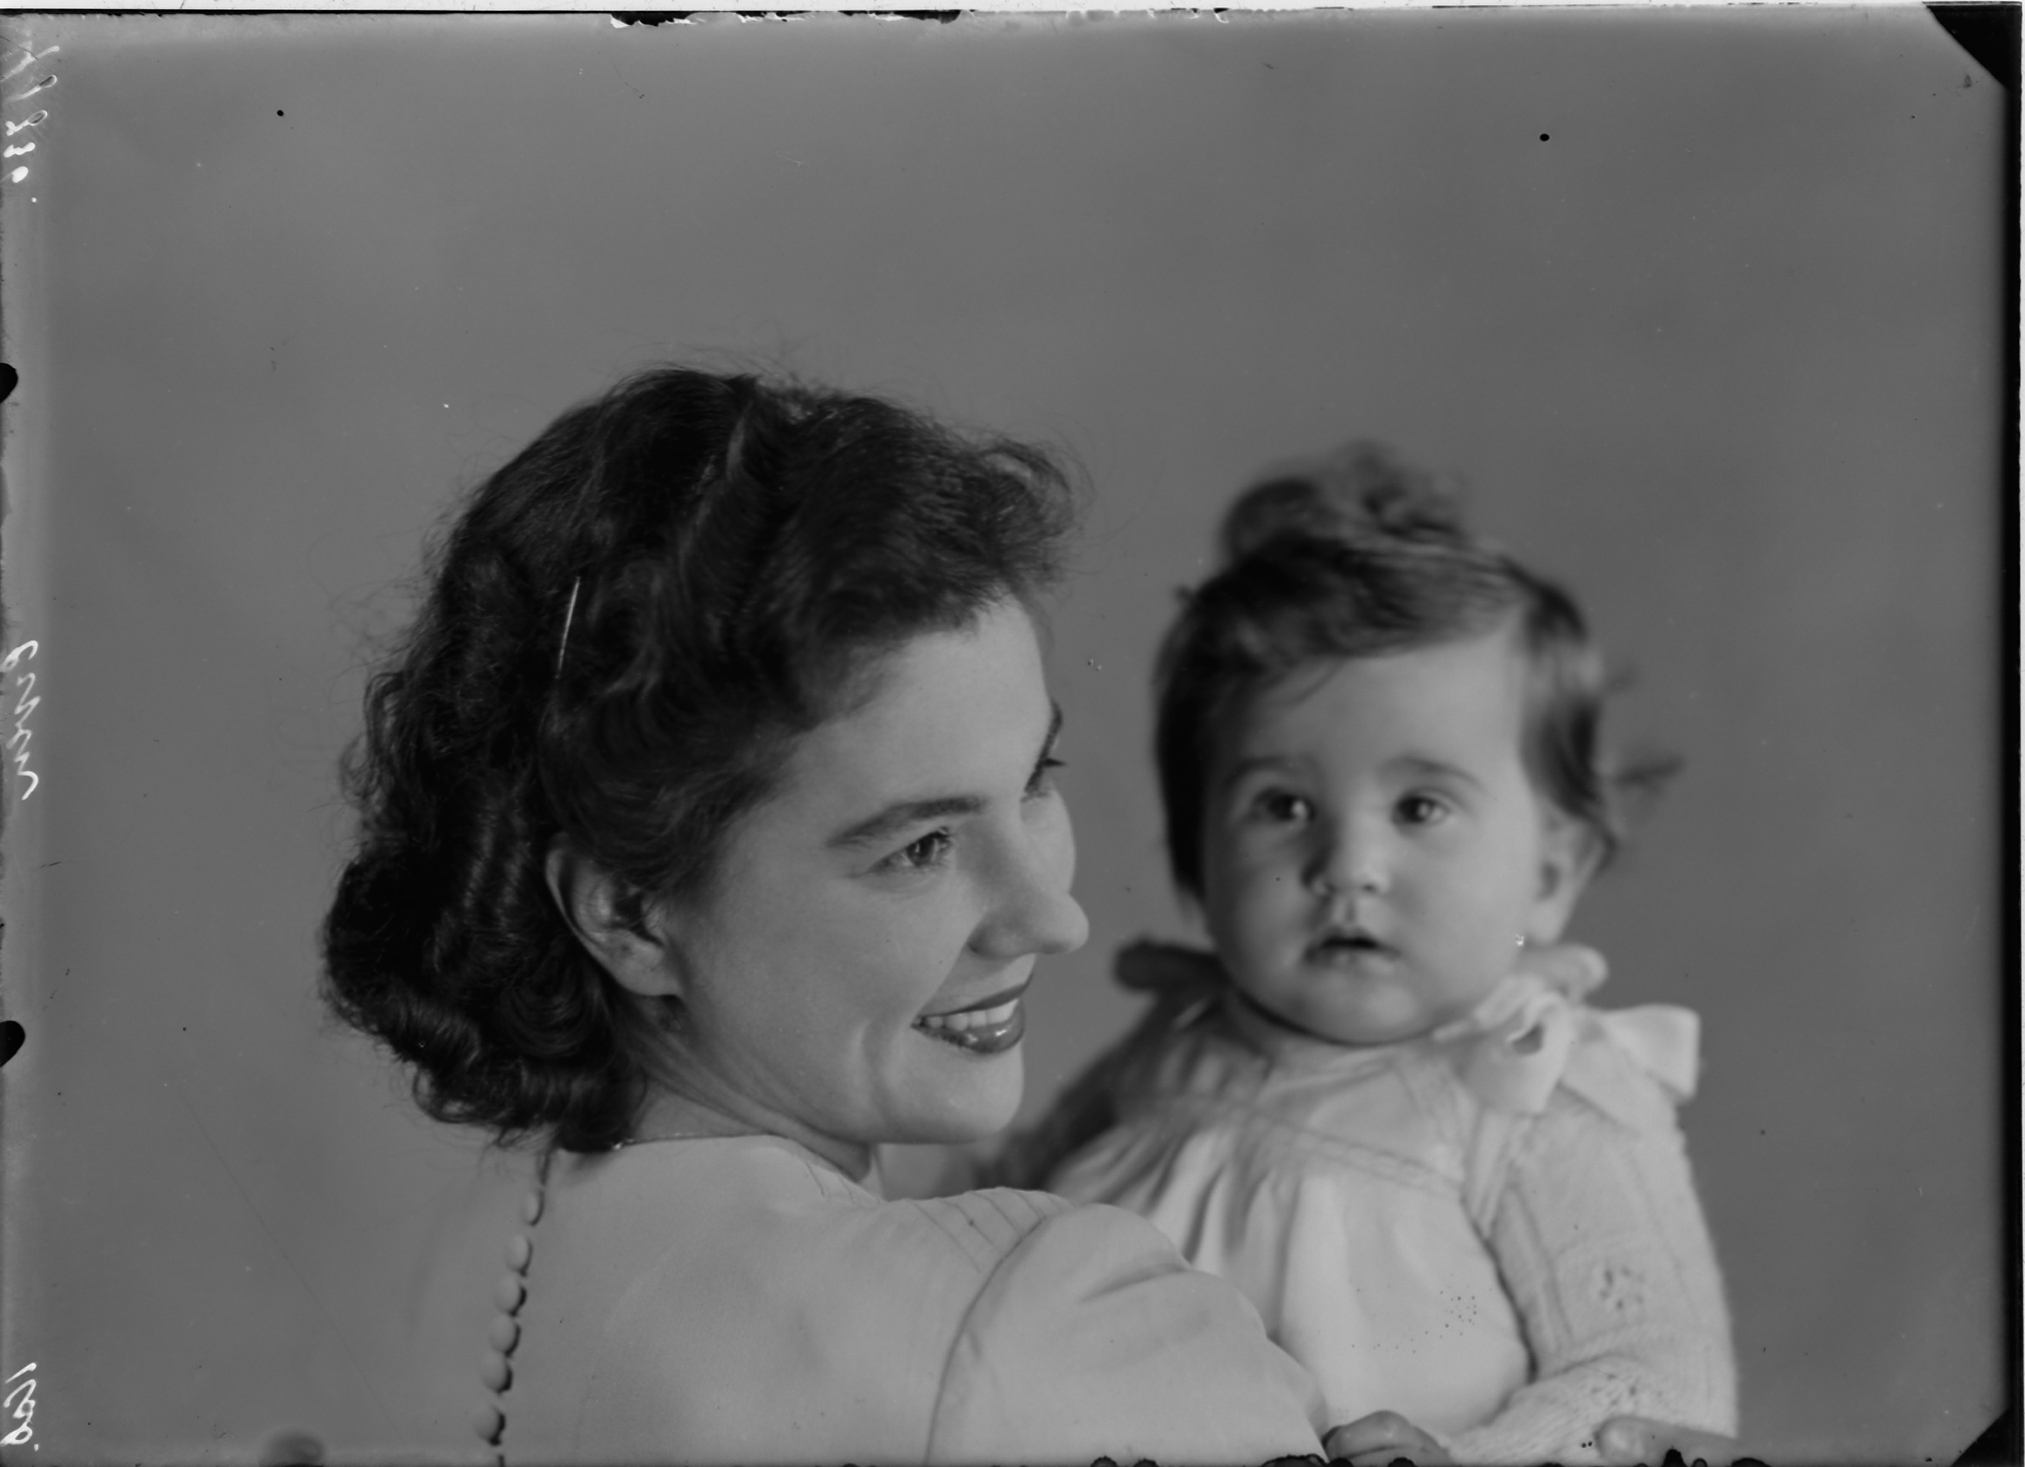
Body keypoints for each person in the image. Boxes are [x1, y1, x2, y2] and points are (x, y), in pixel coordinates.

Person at [322, 367, 1744, 1467]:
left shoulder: (461, 1264)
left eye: (1038, 781)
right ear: (630, 910)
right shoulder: (1043, 1316)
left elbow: (1654, 1374)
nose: (1056, 917)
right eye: (922, 845)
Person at [1003, 446, 1738, 1464]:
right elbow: (1003, 1200)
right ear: (1198, 861)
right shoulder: (1174, 1050)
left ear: (1551, 872)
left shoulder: (1533, 1094)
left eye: (1420, 807)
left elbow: (1656, 1381)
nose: (1347, 866)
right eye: (1282, 805)